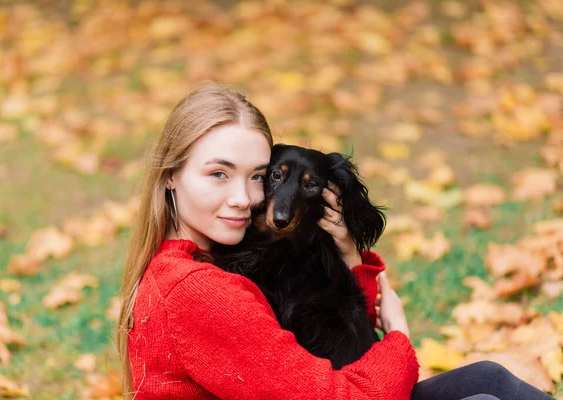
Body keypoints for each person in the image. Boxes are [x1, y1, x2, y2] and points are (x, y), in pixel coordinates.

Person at [116, 84, 555, 400]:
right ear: (171, 175)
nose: (243, 199)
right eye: (218, 173)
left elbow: (313, 331)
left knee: (487, 379)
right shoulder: (199, 292)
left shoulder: (203, 260)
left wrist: (348, 256)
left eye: (255, 177)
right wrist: (399, 336)